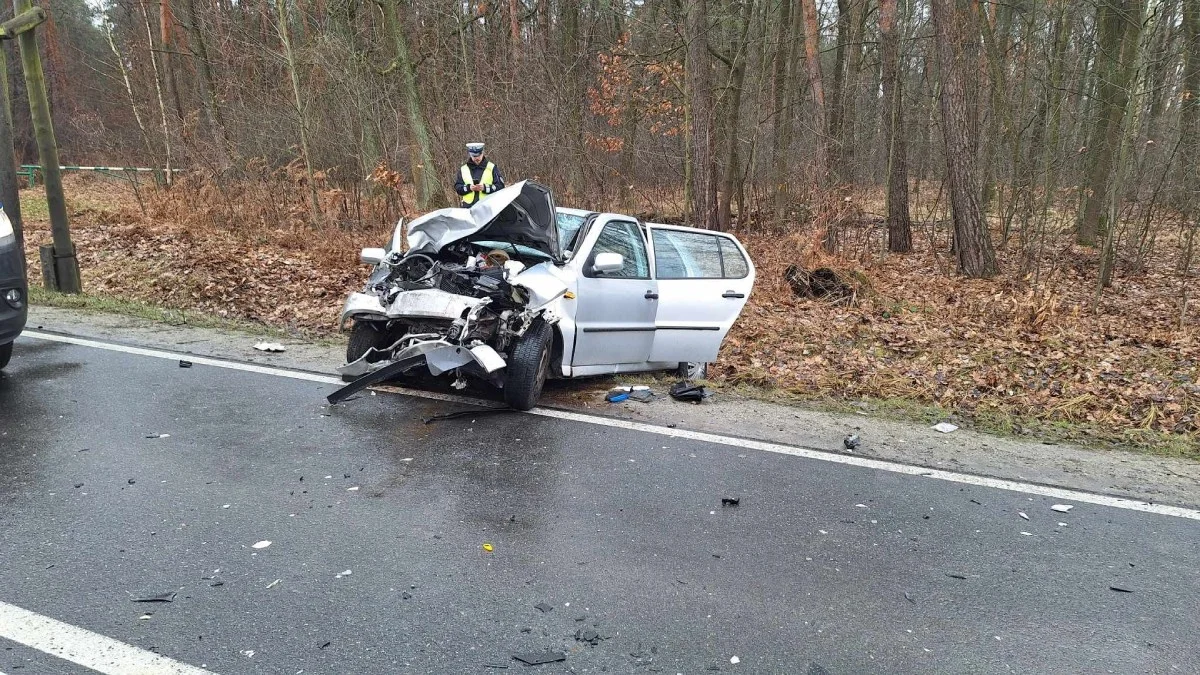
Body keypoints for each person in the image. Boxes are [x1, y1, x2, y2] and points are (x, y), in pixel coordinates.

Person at [454, 142, 505, 208]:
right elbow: (458, 188)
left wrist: (485, 188)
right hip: (468, 208)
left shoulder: (492, 167)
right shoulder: (463, 169)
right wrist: (469, 188)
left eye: (478, 155)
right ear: (470, 154)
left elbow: (500, 186)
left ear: (482, 153)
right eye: (474, 156)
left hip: (487, 207)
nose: (476, 158)